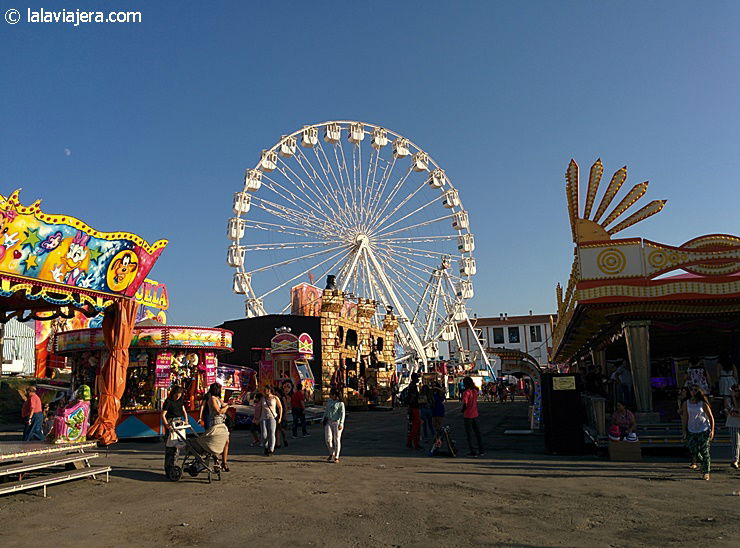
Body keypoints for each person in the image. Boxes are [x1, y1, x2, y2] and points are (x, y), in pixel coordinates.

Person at [681, 385, 715, 480]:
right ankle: (703, 463)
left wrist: (712, 430)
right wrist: (684, 430)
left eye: (695, 390)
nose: (693, 392)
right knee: (693, 449)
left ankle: (706, 471)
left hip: (703, 429)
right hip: (692, 429)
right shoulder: (686, 403)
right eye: (691, 390)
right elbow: (685, 417)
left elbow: (710, 417)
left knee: (705, 451)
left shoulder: (703, 403)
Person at [200, 383, 232, 471]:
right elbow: (219, 411)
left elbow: (223, 405)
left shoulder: (218, 398)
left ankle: (224, 462)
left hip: (222, 422)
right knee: (215, 443)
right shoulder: (212, 399)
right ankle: (216, 463)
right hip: (215, 423)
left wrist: (229, 403)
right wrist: (227, 407)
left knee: (226, 442)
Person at [461, 376, 484, 457]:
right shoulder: (475, 391)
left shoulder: (466, 392)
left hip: (468, 415)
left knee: (469, 434)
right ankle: (481, 450)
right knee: (478, 433)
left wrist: (462, 410)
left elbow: (465, 404)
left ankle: (473, 451)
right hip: (475, 414)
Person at [258, 385, 282, 456]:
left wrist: (280, 417)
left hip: (272, 417)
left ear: (269, 390)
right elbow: (260, 408)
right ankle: (266, 447)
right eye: (264, 390)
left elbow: (280, 407)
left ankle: (271, 449)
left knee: (271, 433)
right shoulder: (262, 398)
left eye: (265, 390)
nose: (264, 391)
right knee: (264, 434)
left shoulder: (275, 398)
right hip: (263, 418)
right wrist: (257, 418)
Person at [323, 388, 345, 463]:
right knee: (328, 439)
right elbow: (326, 411)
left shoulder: (340, 403)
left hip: (337, 422)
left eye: (330, 394)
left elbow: (343, 414)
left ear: (334, 395)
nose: (329, 396)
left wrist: (341, 423)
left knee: (337, 439)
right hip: (328, 421)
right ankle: (331, 452)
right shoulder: (329, 401)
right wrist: (323, 419)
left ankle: (336, 456)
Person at [725, 384, 740, 470]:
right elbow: (732, 411)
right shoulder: (729, 400)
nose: (736, 393)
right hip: (733, 423)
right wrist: (733, 397)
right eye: (734, 391)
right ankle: (735, 459)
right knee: (735, 442)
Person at [405, 373, 421, 449]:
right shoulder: (413, 386)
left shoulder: (411, 386)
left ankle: (410, 441)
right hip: (414, 407)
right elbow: (413, 397)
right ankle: (415, 443)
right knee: (416, 426)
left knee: (413, 426)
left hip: (412, 407)